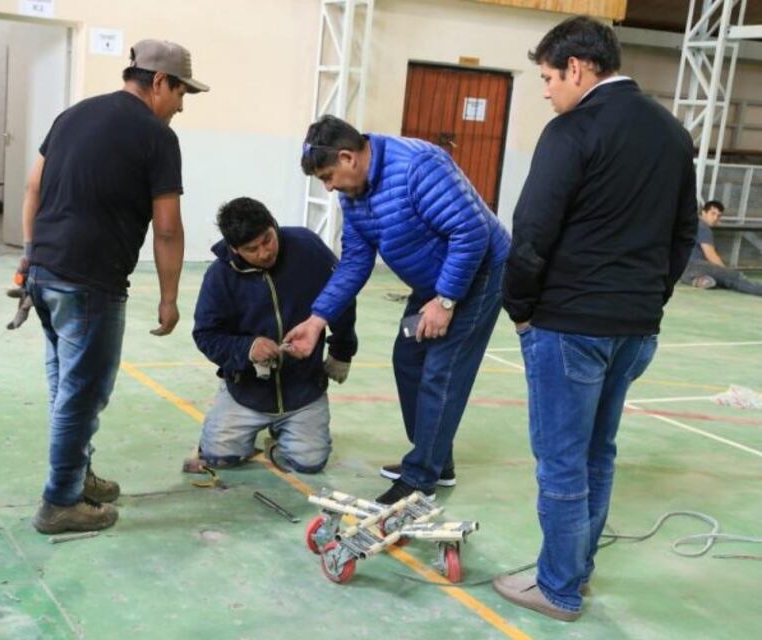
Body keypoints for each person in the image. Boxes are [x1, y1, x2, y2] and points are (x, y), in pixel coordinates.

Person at [494, 17, 697, 621]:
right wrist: (649, 300)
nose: (547, 90)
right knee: (596, 455)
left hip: (570, 324)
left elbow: (531, 234)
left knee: (561, 459)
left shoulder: (571, 130)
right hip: (634, 327)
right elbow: (683, 233)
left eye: (549, 77)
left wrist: (522, 311)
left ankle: (556, 587)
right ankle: (573, 574)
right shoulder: (671, 132)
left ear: (579, 69)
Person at [20, 39, 208, 534]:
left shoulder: (73, 114)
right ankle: (61, 501)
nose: (182, 106)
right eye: (181, 93)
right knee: (82, 393)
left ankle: (76, 476)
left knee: (66, 387)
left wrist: (28, 253)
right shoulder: (157, 136)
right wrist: (169, 298)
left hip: (44, 272)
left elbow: (33, 187)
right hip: (91, 281)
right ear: (160, 82)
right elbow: (168, 227)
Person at [283, 115, 511, 505]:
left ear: (347, 157)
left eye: (328, 175)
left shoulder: (418, 167)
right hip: (433, 282)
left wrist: (445, 301)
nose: (329, 186)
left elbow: (470, 233)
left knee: (442, 370)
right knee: (407, 359)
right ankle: (438, 461)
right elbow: (356, 261)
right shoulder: (354, 196)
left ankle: (420, 480)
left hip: (479, 274)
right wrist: (317, 319)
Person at [190, 197, 357, 474]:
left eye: (267, 239)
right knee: (219, 458)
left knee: (308, 464)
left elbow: (341, 296)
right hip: (247, 391)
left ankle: (284, 434)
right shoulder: (219, 276)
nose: (265, 252)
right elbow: (206, 334)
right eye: (251, 249)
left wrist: (342, 350)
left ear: (273, 224)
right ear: (234, 249)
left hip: (304, 389)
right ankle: (236, 425)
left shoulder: (308, 248)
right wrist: (248, 348)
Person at [680, 200, 762, 296]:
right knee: (733, 277)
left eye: (718, 216)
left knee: (714, 279)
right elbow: (710, 254)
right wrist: (725, 271)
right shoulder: (703, 228)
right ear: (703, 212)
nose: (715, 218)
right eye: (713, 213)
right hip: (696, 265)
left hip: (682, 269)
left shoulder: (690, 224)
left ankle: (700, 280)